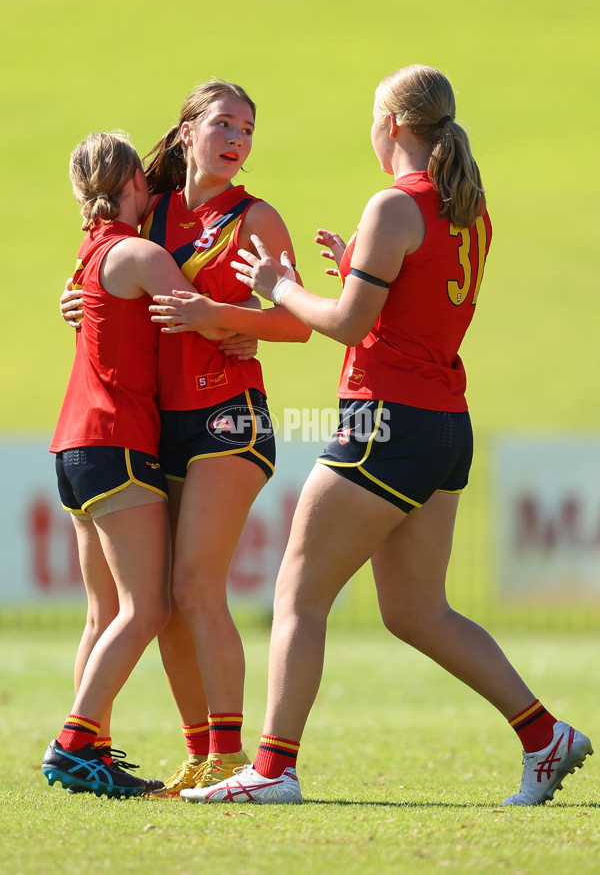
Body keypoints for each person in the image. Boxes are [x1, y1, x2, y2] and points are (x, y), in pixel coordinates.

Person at [174, 65, 593, 806]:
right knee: (415, 610)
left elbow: (344, 325)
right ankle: (544, 735)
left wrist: (279, 286)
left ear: (392, 125)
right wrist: (352, 275)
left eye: (373, 118)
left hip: (385, 423)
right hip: (445, 425)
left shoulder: (395, 204)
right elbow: (412, 302)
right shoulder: (468, 203)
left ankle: (272, 770)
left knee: (298, 593)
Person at [59, 81, 310, 798]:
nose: (237, 138)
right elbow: (104, 273)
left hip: (231, 418)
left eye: (248, 129)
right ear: (189, 130)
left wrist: (228, 322)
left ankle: (232, 757)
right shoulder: (154, 209)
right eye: (224, 123)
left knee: (196, 585)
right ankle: (201, 751)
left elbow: (295, 322)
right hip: (160, 426)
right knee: (164, 599)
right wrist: (69, 297)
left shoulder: (256, 218)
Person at [42, 131, 232, 798]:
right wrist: (250, 317)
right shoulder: (141, 252)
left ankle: (92, 750)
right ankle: (72, 745)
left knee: (102, 615)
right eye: (144, 183)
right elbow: (200, 315)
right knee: (147, 609)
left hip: (74, 447)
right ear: (127, 185)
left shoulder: (89, 252)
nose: (154, 192)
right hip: (117, 441)